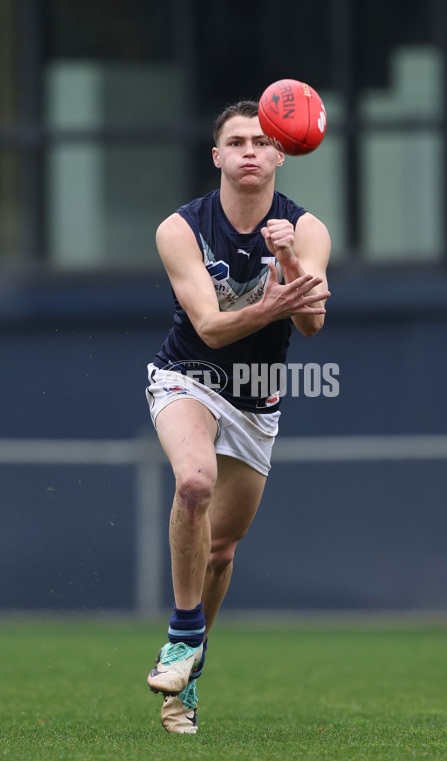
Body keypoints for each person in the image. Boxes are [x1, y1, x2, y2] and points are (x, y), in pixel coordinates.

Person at [145, 99, 331, 734]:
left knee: (221, 551)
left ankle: (187, 678)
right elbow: (211, 328)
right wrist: (270, 303)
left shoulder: (305, 230)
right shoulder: (181, 228)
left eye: (261, 140)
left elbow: (311, 324)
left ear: (282, 152)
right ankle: (181, 633)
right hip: (187, 375)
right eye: (237, 142)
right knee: (193, 482)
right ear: (217, 156)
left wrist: (289, 263)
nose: (250, 151)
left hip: (257, 393)